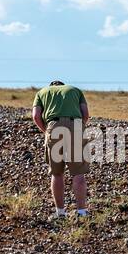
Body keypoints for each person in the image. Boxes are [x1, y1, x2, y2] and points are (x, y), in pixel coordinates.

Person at [32, 80, 89, 218]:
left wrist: (46, 131)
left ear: (52, 86)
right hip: (75, 125)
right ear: (63, 86)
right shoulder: (75, 90)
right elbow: (85, 114)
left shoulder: (42, 92)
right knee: (78, 173)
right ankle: (81, 213)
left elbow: (35, 116)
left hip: (54, 126)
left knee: (57, 173)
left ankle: (60, 213)